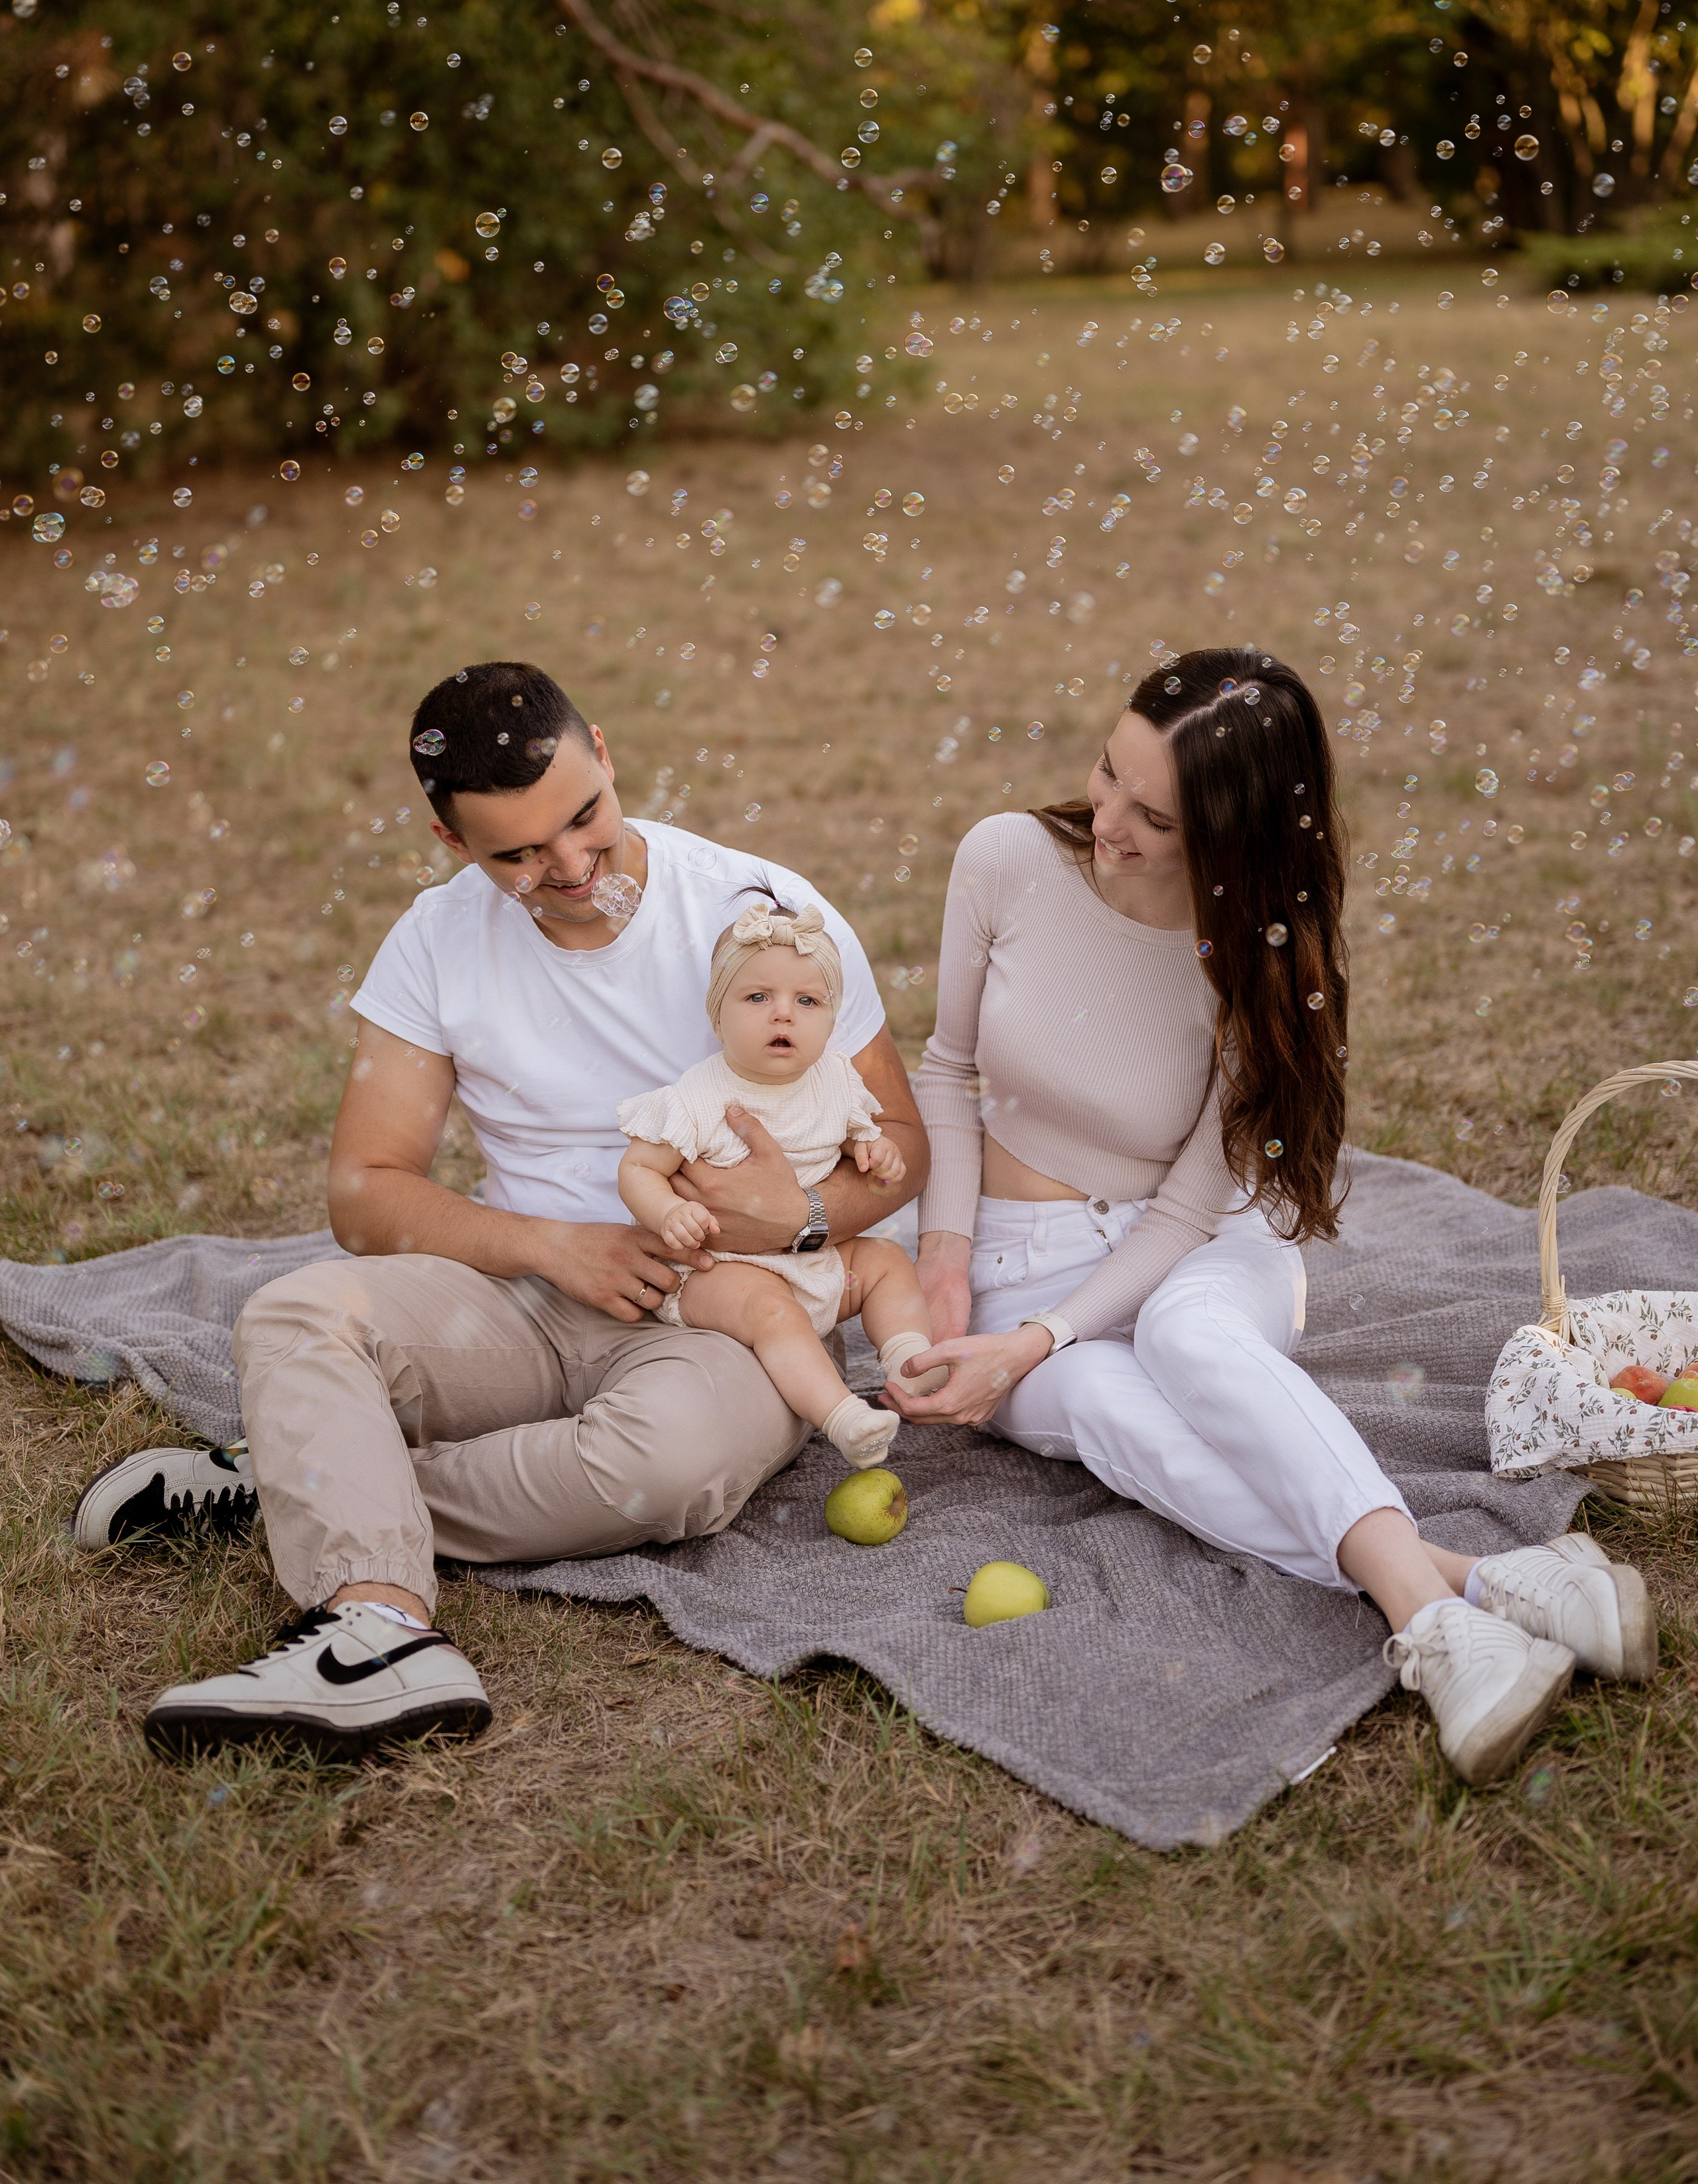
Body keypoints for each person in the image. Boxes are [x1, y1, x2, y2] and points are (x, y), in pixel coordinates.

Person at [79, 661, 924, 1760]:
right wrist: (551, 1245)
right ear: (453, 845)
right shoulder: (435, 942)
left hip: (736, 1316)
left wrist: (802, 1213)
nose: (573, 866)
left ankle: (316, 1481)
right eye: (520, 853)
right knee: (296, 1313)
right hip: (525, 1293)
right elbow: (363, 1188)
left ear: (607, 753)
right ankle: (376, 1626)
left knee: (672, 1466)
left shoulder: (762, 913)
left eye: (587, 817)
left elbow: (903, 1149)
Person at [887, 645, 1656, 1788]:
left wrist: (1037, 1340)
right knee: (1106, 1403)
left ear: (1234, 838)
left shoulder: (1251, 953)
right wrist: (949, 1265)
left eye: (1155, 815)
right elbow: (945, 1070)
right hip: (1010, 1261)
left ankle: (1433, 1629)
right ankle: (1491, 1585)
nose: (1109, 821)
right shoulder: (1005, 858)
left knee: (1184, 1339)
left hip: (1200, 1245)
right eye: (1108, 775)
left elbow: (1195, 1203)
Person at [617, 897, 939, 1470]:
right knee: (771, 1311)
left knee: (888, 1260)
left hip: (815, 1257)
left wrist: (872, 1148)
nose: (783, 1014)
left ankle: (910, 1364)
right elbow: (639, 1168)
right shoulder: (699, 1097)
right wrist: (667, 1212)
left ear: (832, 1020)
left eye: (807, 1000)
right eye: (758, 997)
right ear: (718, 1016)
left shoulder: (836, 1080)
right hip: (724, 1273)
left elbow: (852, 1135)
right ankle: (844, 1417)